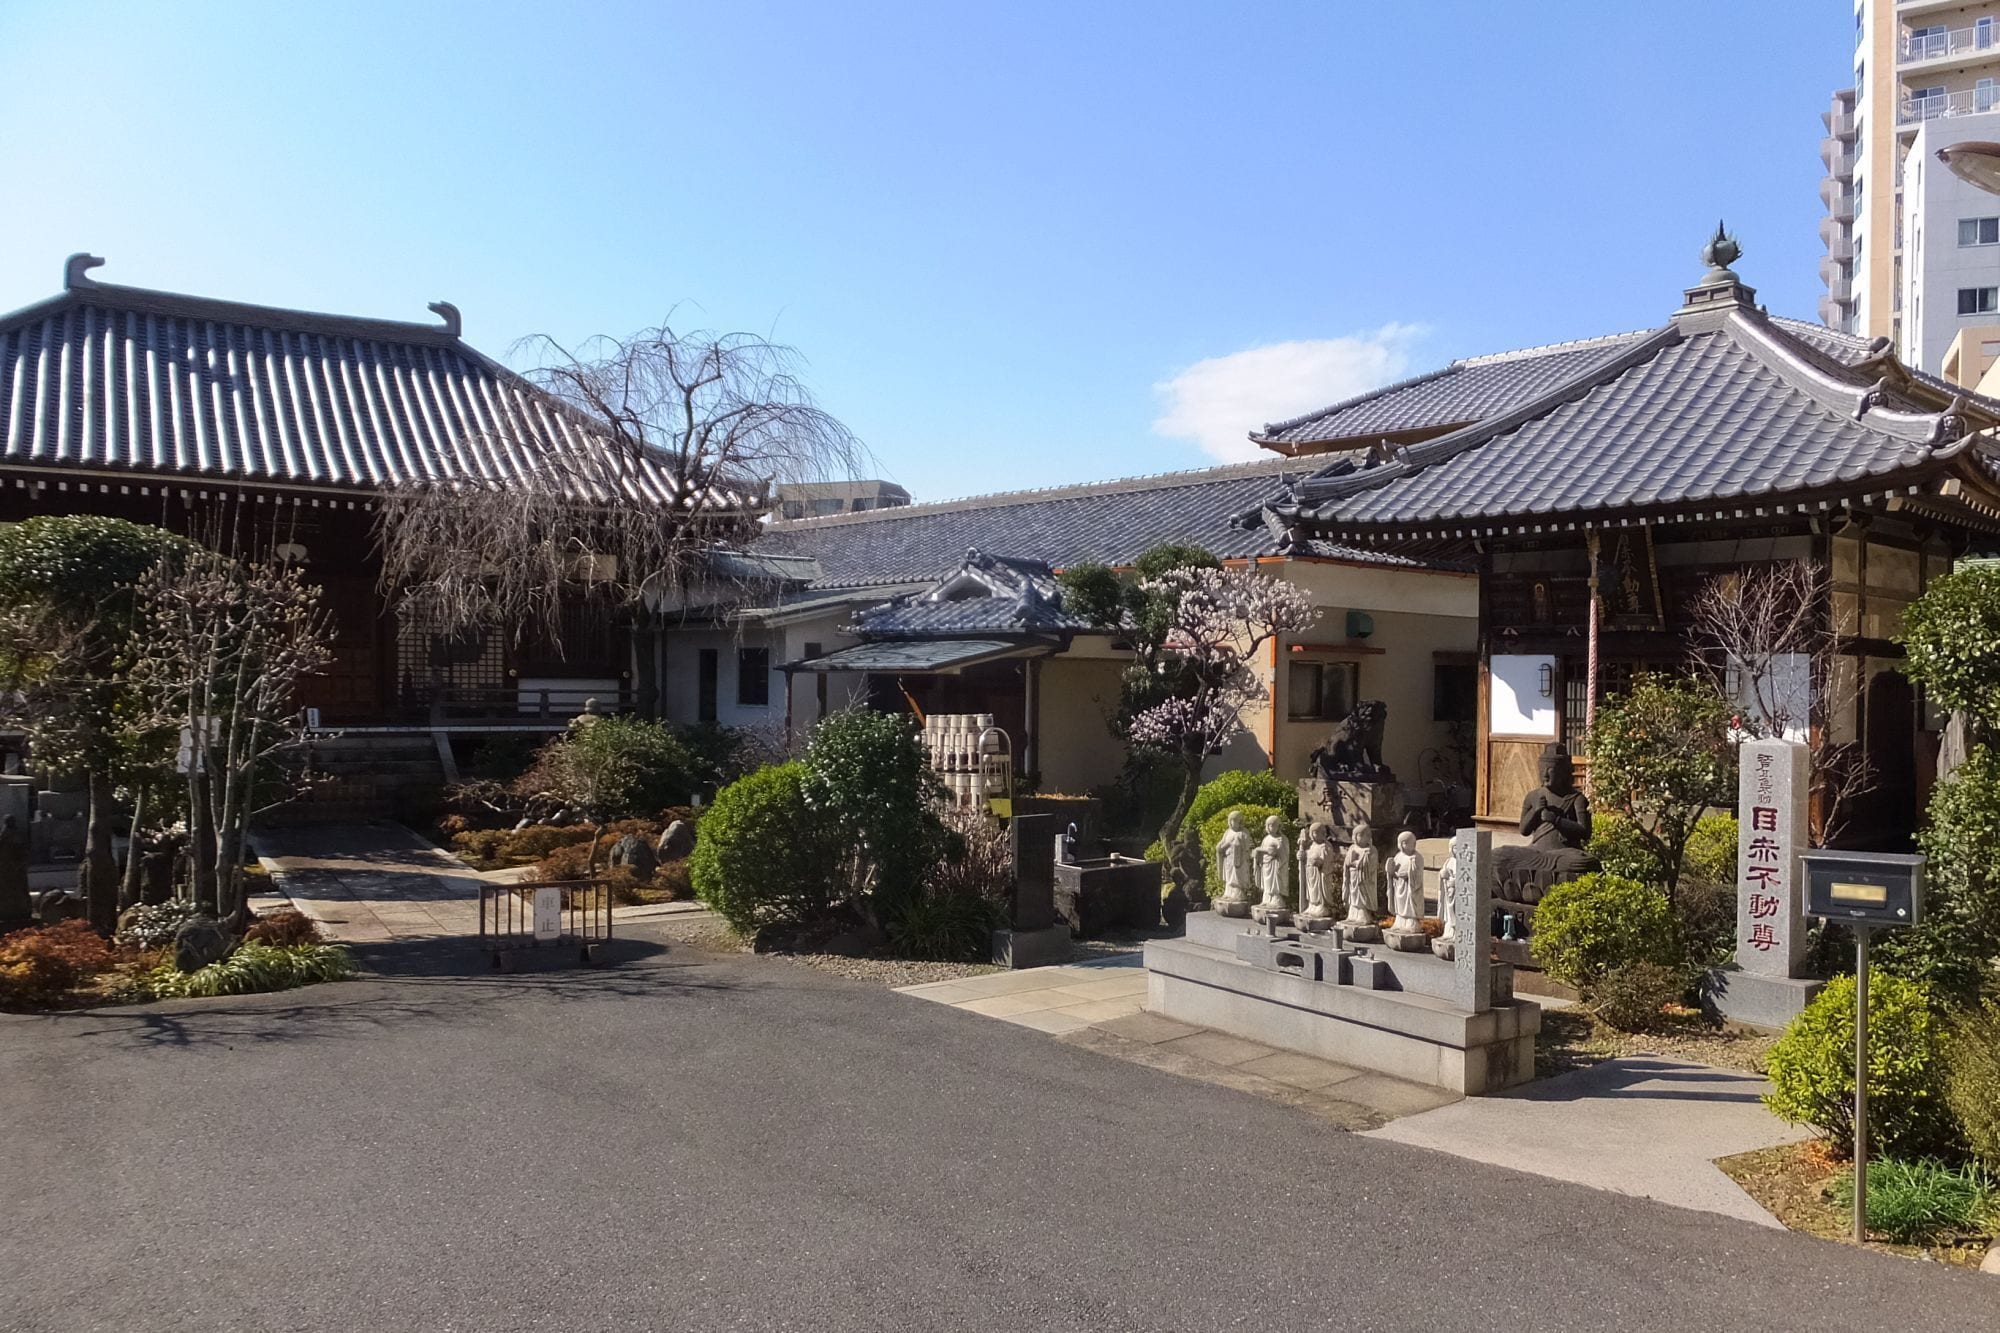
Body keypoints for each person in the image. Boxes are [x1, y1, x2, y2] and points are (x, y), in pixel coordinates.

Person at [1341, 823, 1379, 927]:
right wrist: (1350, 863)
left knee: (1362, 896)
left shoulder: (1371, 850)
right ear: (1355, 836)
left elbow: (1372, 866)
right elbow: (1347, 863)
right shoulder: (1352, 848)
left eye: (1367, 835)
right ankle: (1352, 915)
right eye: (1361, 835)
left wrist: (1359, 863)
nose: (1364, 837)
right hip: (1353, 877)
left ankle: (1363, 915)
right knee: (1353, 896)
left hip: (1364, 879)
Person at [1213, 810, 1253, 908]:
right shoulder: (1227, 832)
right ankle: (1228, 893)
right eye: (1231, 821)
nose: (1233, 823)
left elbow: (1247, 846)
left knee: (1237, 877)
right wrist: (1223, 846)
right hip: (1228, 859)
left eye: (1236, 821)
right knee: (1229, 876)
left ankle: (1237, 894)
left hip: (1240, 860)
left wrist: (1238, 844)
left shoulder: (1244, 832)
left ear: (1240, 821)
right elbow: (1221, 845)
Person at [1387, 830, 1425, 933]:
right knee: (1400, 904)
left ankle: (1411, 923)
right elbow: (1393, 871)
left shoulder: (1417, 857)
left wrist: (1409, 874)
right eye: (1404, 843)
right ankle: (1399, 921)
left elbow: (1418, 875)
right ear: (1400, 844)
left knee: (1410, 904)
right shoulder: (1398, 856)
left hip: (1410, 886)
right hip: (1399, 885)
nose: (1408, 845)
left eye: (1411, 843)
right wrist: (1391, 872)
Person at [1253, 815, 1291, 913]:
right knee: (1267, 882)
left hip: (1276, 864)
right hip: (1266, 864)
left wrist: (1262, 850)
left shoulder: (1282, 839)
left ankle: (1276, 900)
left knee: (1275, 882)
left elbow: (1279, 853)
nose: (1271, 828)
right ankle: (1266, 899)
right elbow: (1264, 851)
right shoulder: (1266, 839)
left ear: (1278, 827)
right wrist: (1258, 856)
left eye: (1273, 826)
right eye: (1269, 825)